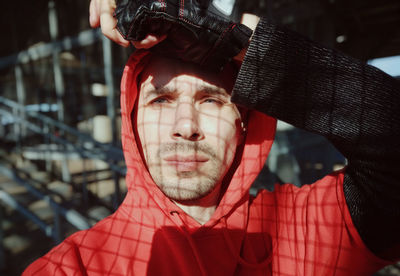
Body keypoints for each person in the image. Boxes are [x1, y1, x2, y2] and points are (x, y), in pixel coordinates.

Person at [24, 0, 400, 275]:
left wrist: (241, 41)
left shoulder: (304, 227)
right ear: (133, 121)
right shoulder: (73, 268)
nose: (186, 126)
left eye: (211, 100)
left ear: (244, 124)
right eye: (162, 99)